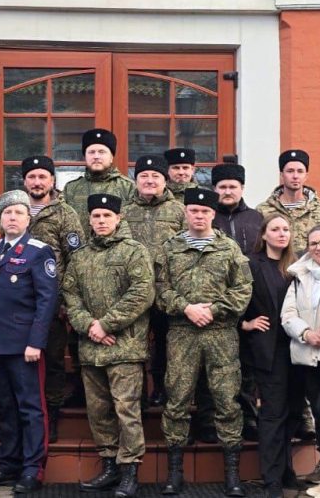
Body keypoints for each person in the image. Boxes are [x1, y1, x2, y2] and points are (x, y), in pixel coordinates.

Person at [156, 188, 253, 497]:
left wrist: (213, 310)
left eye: (204, 211)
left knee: (227, 400)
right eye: (193, 211)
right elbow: (159, 287)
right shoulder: (170, 248)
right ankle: (175, 473)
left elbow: (242, 289)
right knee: (178, 400)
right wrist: (186, 308)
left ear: (214, 215)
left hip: (220, 334)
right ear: (186, 213)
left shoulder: (229, 249)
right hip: (182, 333)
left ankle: (232, 475)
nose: (199, 216)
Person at [63, 193, 154, 498]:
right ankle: (109, 466)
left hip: (124, 347)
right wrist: (90, 326)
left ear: (119, 219)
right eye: (96, 216)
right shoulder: (80, 256)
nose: (101, 221)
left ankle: (129, 469)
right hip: (91, 347)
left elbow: (142, 293)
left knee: (126, 410)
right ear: (89, 220)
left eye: (106, 216)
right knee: (98, 411)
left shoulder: (133, 252)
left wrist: (106, 323)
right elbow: (70, 296)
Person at [0, 190, 59, 494]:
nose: (12, 217)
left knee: (30, 408)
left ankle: (33, 469)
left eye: (19, 213)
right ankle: (7, 464)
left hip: (25, 347)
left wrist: (36, 342)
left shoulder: (39, 251)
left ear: (28, 218)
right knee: (6, 407)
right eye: (7, 213)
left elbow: (47, 301)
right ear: (0, 218)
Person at [22, 155, 85, 442]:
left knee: (55, 362)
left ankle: (53, 416)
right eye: (32, 177)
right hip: (17, 304)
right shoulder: (12, 209)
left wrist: (66, 302)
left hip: (52, 305)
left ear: (52, 181)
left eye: (42, 177)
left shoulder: (64, 213)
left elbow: (77, 259)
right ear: (24, 181)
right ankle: (26, 417)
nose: (37, 182)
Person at [281, 226, 320, 498]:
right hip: (308, 355)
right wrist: (307, 333)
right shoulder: (299, 274)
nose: (318, 247)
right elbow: (288, 313)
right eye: (313, 243)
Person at [240, 213, 299, 498]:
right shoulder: (251, 265)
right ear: (263, 234)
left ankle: (288, 470)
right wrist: (245, 323)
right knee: (273, 415)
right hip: (269, 351)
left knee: (294, 414)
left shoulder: (297, 266)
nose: (281, 233)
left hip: (299, 350)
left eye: (286, 229)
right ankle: (272, 478)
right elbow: (237, 299)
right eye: (275, 229)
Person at [120, 155, 185, 408]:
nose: (149, 180)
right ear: (135, 181)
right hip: (133, 290)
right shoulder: (124, 211)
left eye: (155, 176)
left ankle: (161, 388)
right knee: (133, 343)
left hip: (165, 288)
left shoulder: (178, 210)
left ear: (164, 180)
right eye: (143, 176)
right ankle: (135, 394)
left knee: (164, 343)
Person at [211, 162, 264, 442]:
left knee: (248, 364)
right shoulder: (208, 217)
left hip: (252, 299)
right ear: (215, 189)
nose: (228, 191)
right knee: (220, 364)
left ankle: (248, 419)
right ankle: (214, 420)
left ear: (242, 188)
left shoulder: (257, 218)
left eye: (233, 186)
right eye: (222, 187)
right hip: (217, 301)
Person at [63, 128, 136, 239]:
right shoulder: (71, 188)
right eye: (91, 152)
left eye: (102, 152)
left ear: (111, 157)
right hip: (79, 253)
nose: (96, 156)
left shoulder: (128, 187)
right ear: (85, 157)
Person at [256, 149, 320, 254]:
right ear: (282, 175)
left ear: (306, 176)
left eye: (300, 171)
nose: (295, 176)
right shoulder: (263, 210)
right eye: (290, 171)